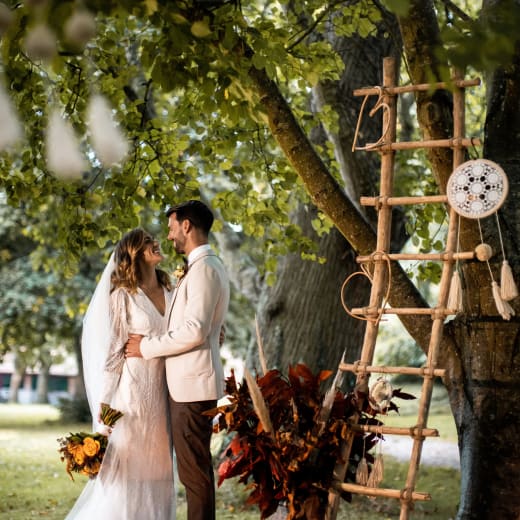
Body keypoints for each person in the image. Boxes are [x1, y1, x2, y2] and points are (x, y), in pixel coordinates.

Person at [125, 200, 230, 520]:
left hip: (191, 389)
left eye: (172, 228)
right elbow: (204, 327)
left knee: (194, 475)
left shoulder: (205, 270)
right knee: (194, 473)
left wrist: (146, 347)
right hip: (189, 386)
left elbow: (194, 331)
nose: (169, 236)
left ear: (187, 226)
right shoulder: (203, 268)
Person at [67, 228, 176, 520]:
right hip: (132, 394)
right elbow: (114, 350)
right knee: (128, 471)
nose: (157, 244)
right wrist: (105, 401)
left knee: (159, 470)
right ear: (135, 253)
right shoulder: (123, 296)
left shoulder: (171, 288)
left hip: (166, 392)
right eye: (149, 242)